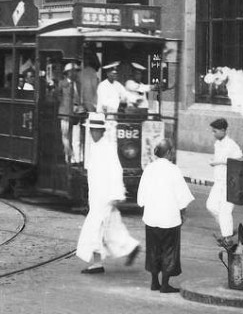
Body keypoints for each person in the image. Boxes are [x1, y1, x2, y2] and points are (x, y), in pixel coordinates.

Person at [75, 113, 140, 274]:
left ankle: (97, 263)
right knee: (110, 227)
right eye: (91, 130)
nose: (92, 133)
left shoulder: (107, 148)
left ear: (102, 131)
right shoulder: (96, 147)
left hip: (105, 197)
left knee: (94, 228)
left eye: (95, 130)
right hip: (98, 196)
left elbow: (116, 171)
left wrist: (116, 194)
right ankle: (131, 247)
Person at [137, 138, 194, 294]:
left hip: (151, 217)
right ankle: (165, 285)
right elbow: (182, 196)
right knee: (169, 250)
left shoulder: (149, 169)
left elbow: (141, 196)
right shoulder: (173, 170)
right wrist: (183, 213)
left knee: (153, 249)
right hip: (169, 218)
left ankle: (154, 282)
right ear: (168, 152)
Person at [207, 118, 243, 249]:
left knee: (225, 210)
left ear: (223, 130)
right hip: (218, 181)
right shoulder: (218, 143)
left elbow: (239, 158)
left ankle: (227, 238)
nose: (213, 134)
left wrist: (220, 162)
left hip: (230, 182)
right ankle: (227, 230)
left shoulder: (231, 144)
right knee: (211, 206)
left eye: (215, 131)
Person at [57, 63, 81, 163]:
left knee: (75, 136)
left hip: (75, 114)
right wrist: (64, 104)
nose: (75, 73)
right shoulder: (62, 83)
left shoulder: (77, 84)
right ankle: (69, 156)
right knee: (65, 136)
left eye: (76, 71)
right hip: (65, 113)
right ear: (67, 73)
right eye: (73, 71)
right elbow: (57, 95)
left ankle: (77, 157)